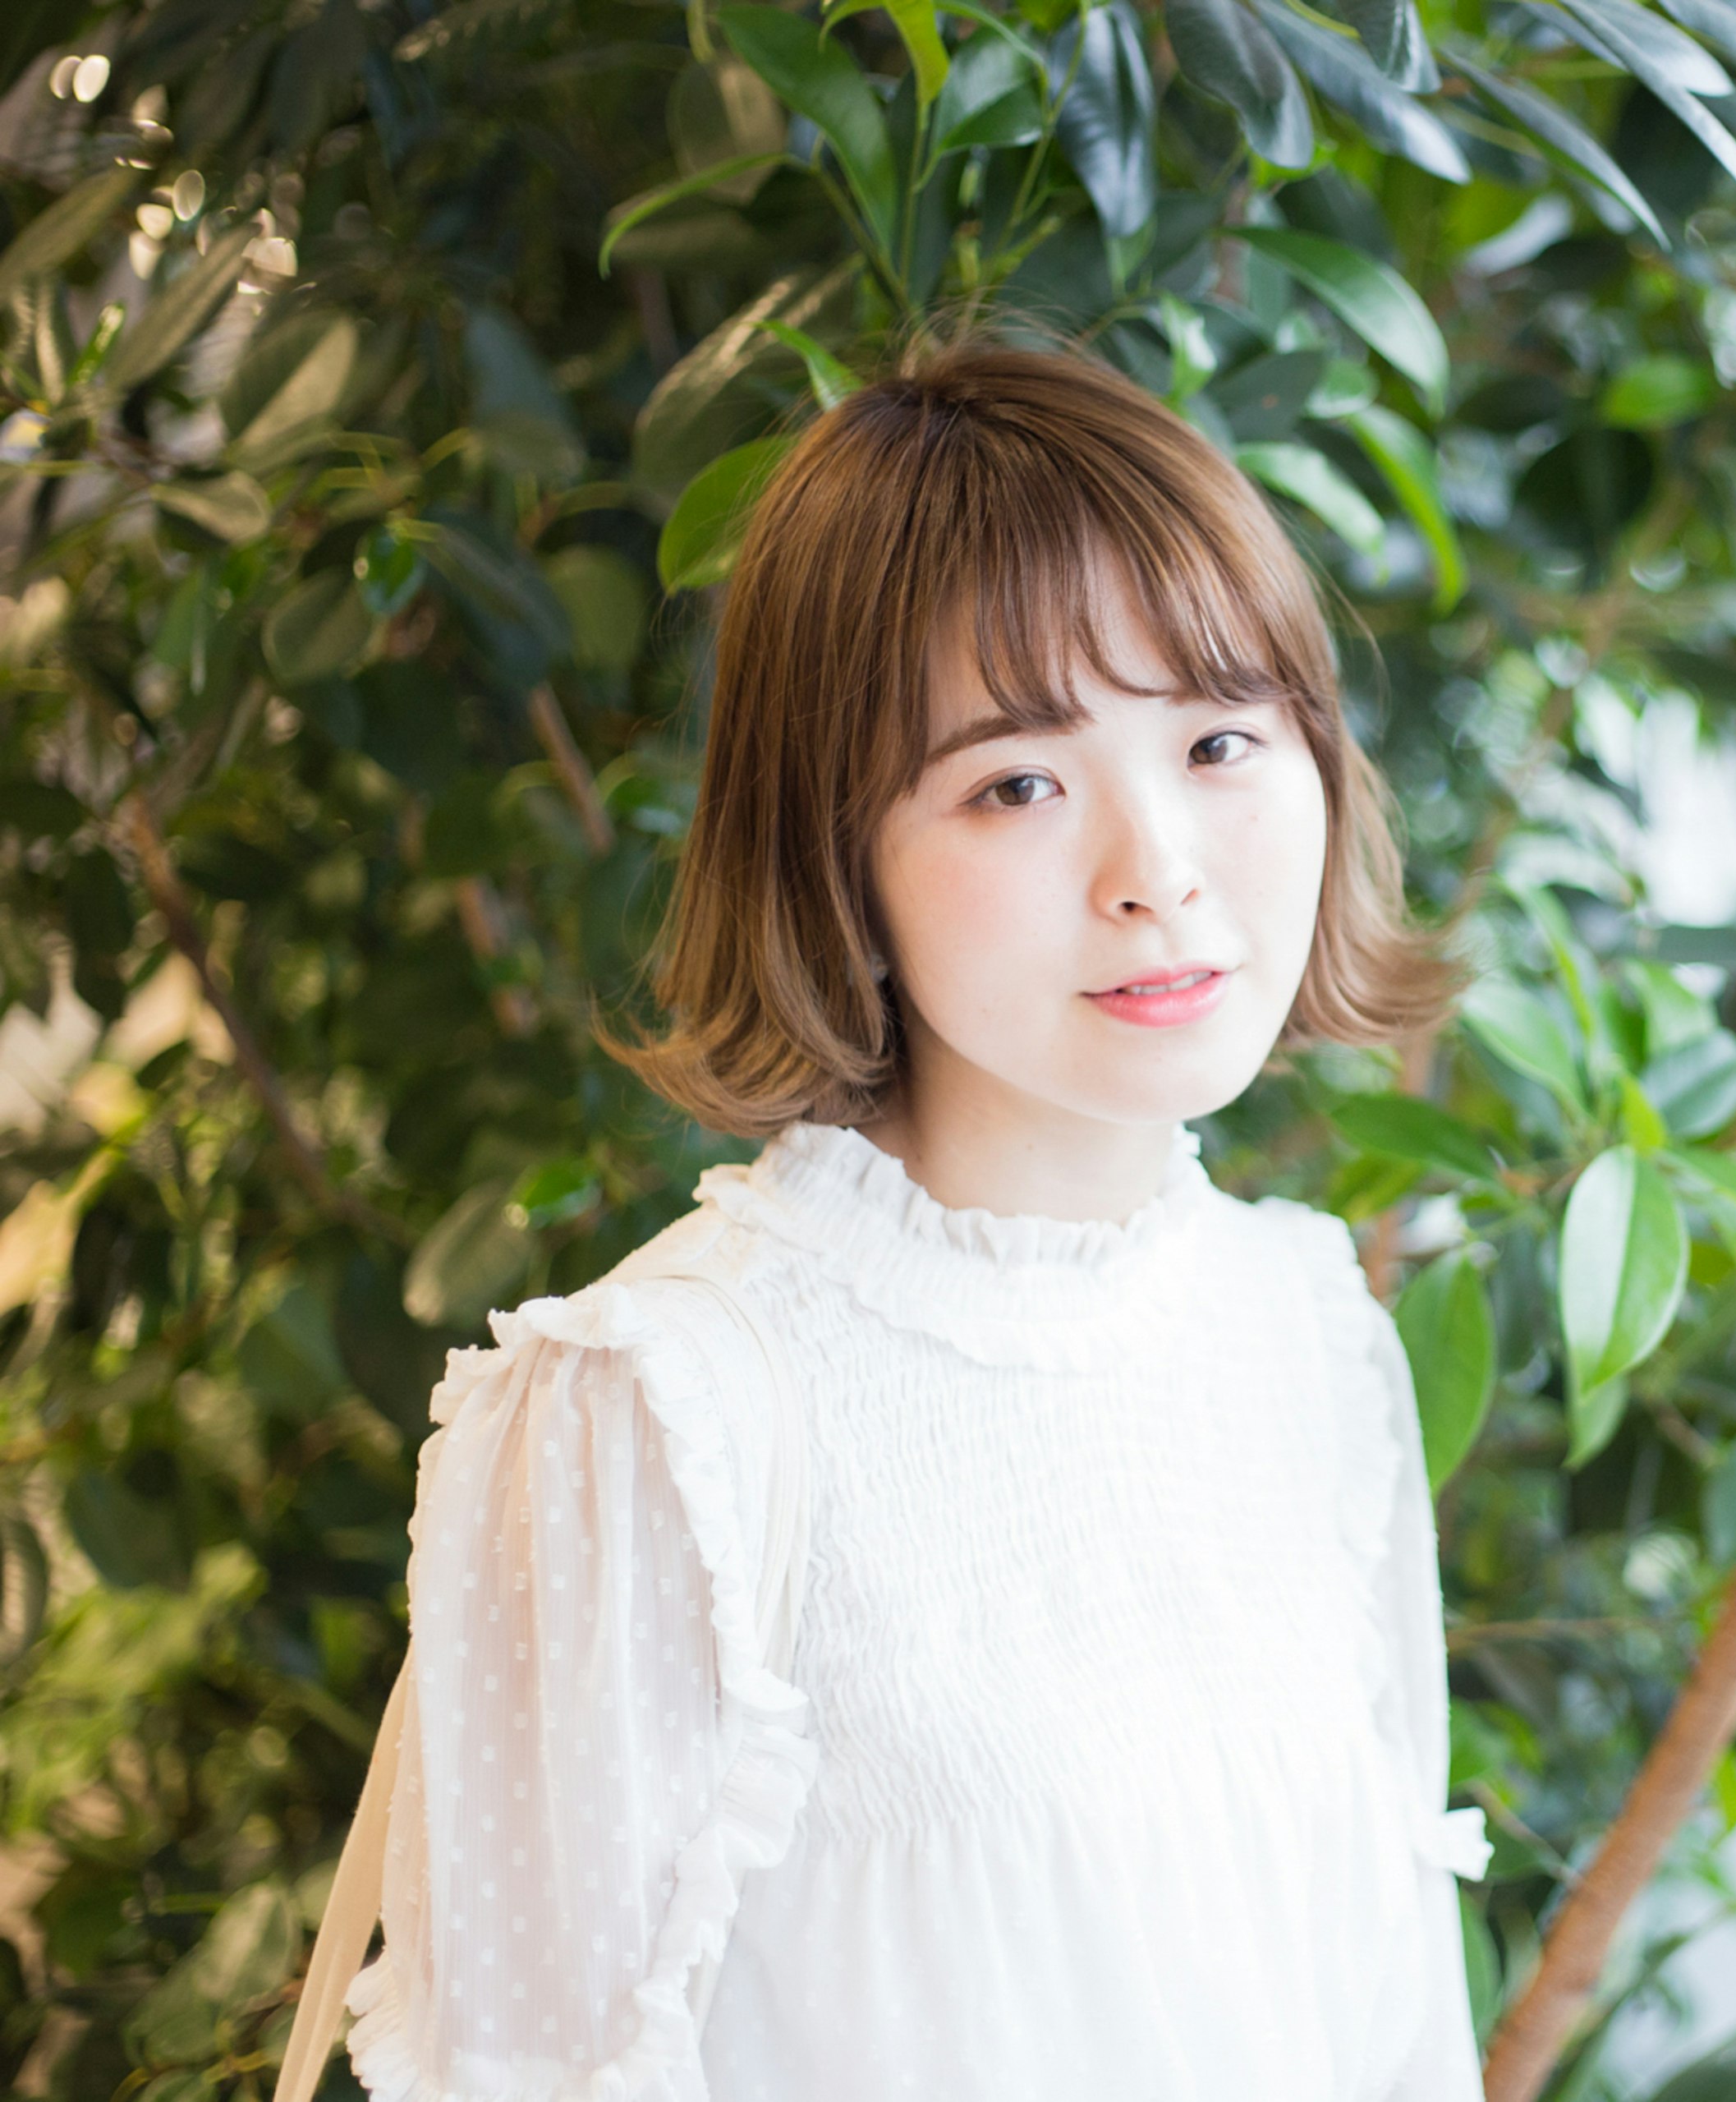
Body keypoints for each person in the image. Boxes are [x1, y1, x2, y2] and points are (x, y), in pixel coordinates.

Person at [333, 339, 1490, 2100]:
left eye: (1219, 737)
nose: (1157, 862)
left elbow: (1395, 2024)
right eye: (1016, 781)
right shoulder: (656, 1415)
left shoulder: (1303, 1326)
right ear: (837, 857)